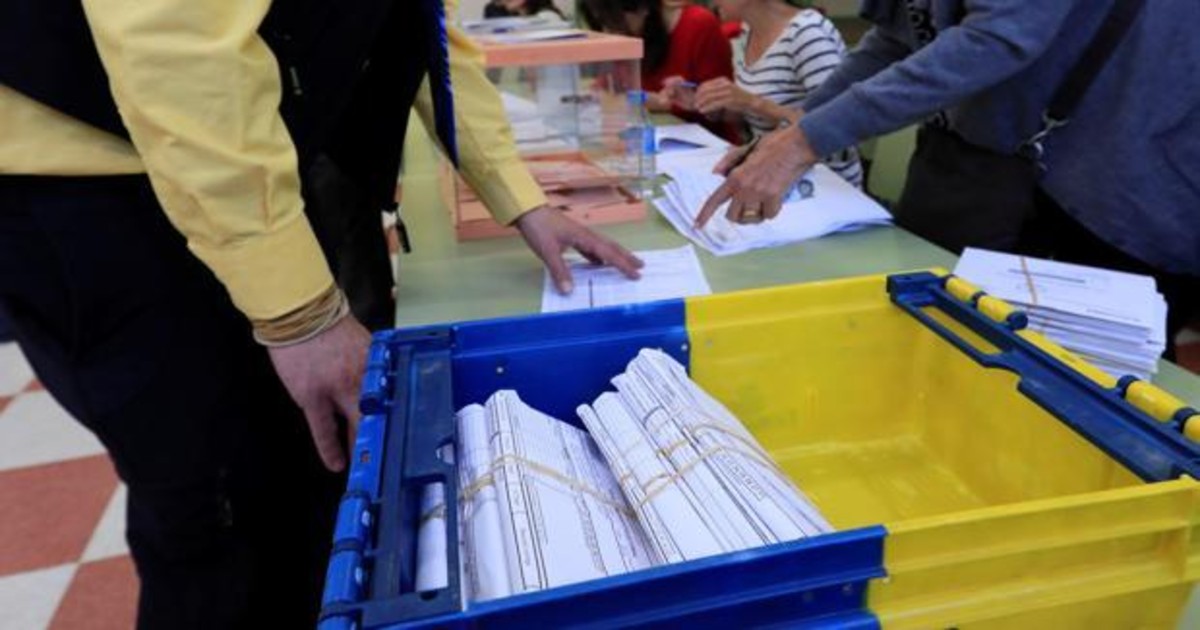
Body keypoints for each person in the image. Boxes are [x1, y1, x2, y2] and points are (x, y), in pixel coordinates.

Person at [0, 0, 632, 628]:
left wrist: (518, 195)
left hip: (238, 170)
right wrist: (298, 313)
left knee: (305, 488)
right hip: (115, 190)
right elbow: (179, 56)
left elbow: (426, 32)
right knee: (220, 523)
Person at [696, 0, 1200, 356]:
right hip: (1002, 171)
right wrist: (798, 129)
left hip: (1123, 184)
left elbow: (998, 38)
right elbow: (898, 38)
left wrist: (805, 140)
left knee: (1102, 384)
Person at [673, 0, 863, 187]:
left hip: (824, 186)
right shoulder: (749, 30)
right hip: (775, 175)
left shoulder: (808, 34)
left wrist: (754, 103)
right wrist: (710, 104)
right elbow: (759, 121)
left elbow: (839, 134)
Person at [581, 0, 737, 140]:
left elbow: (724, 108)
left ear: (642, 8)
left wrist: (668, 105)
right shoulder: (623, 36)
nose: (607, 32)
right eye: (601, 22)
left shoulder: (699, 25)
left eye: (612, 22)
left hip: (706, 147)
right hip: (646, 140)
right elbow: (607, 88)